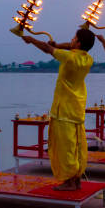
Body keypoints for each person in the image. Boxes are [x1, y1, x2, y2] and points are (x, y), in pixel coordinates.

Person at [22, 28, 95, 190]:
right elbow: (67, 47)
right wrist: (58, 45)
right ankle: (76, 178)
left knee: (64, 147)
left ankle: (69, 181)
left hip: (64, 109)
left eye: (74, 38)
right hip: (76, 108)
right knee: (76, 145)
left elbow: (48, 49)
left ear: (78, 43)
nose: (71, 40)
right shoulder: (88, 59)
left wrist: (32, 40)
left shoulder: (69, 57)